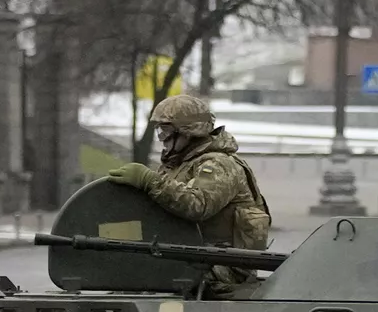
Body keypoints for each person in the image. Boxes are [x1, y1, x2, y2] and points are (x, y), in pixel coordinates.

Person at [105, 94, 273, 296]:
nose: (162, 139)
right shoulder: (180, 164)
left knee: (145, 282)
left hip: (222, 264)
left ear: (188, 132)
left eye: (166, 131)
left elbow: (197, 205)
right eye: (160, 131)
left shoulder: (219, 164)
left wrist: (149, 180)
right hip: (192, 256)